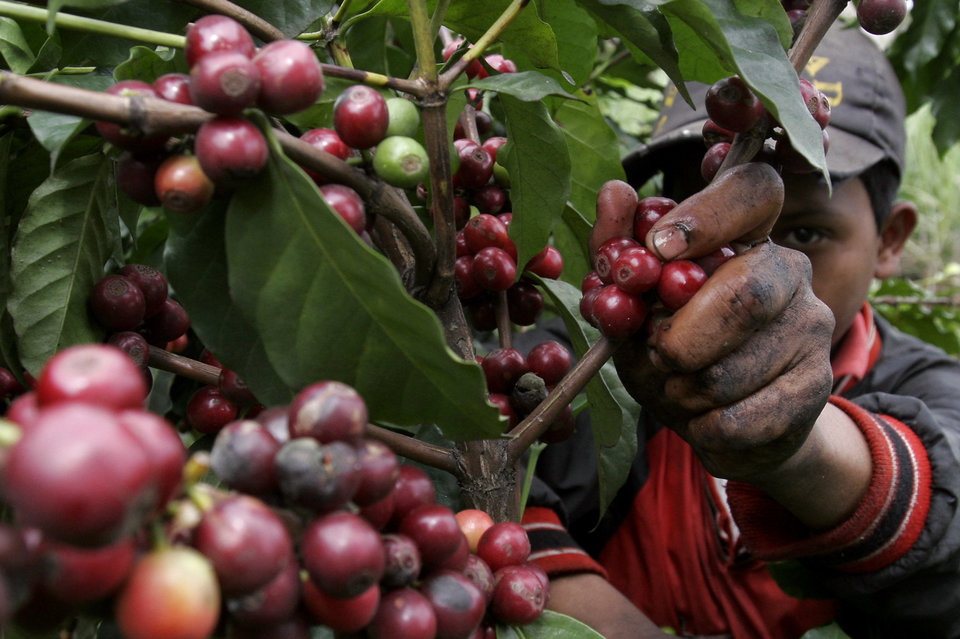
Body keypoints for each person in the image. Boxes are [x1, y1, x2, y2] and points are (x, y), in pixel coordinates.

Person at [515, 24, 960, 639]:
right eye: (699, 226)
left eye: (804, 234)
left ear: (890, 240)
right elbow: (491, 492)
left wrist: (793, 443)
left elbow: (946, 542)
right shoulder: (588, 361)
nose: (748, 274)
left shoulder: (929, 384)